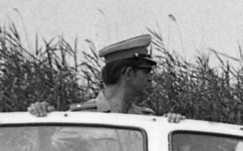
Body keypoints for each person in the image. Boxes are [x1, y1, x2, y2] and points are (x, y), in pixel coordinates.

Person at [28, 34, 159, 117]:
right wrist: (42, 116)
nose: (150, 78)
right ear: (128, 73)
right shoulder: (81, 117)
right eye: (146, 71)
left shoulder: (146, 118)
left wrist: (176, 121)